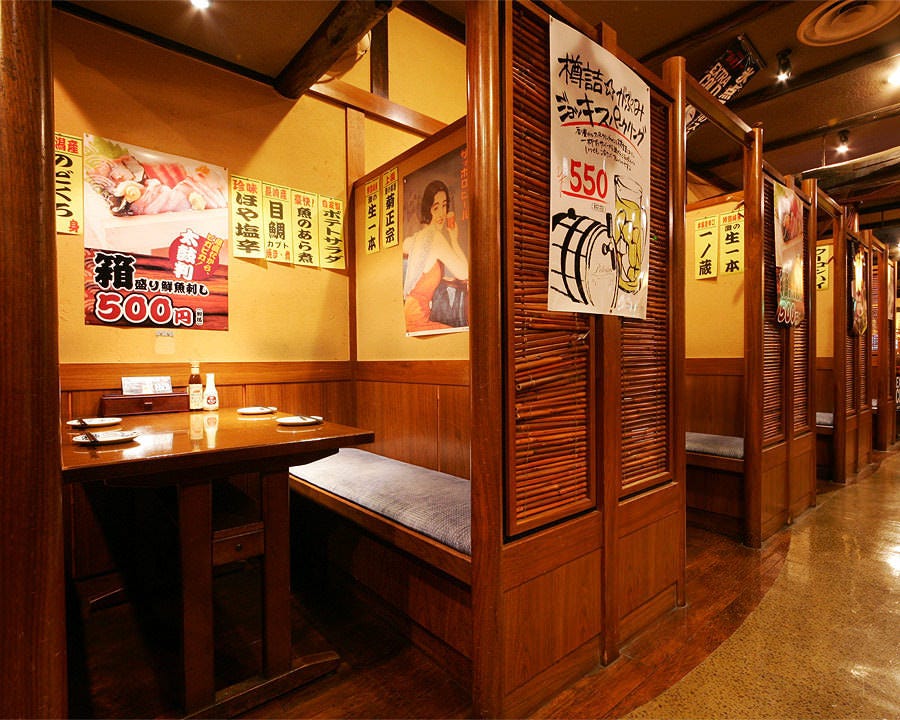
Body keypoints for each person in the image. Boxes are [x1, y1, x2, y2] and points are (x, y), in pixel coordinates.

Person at [402, 180, 469, 333]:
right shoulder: (435, 237)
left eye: (444, 206)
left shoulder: (416, 237)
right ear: (428, 209)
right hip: (418, 320)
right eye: (436, 207)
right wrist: (454, 240)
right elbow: (465, 273)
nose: (441, 214)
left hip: (409, 316)